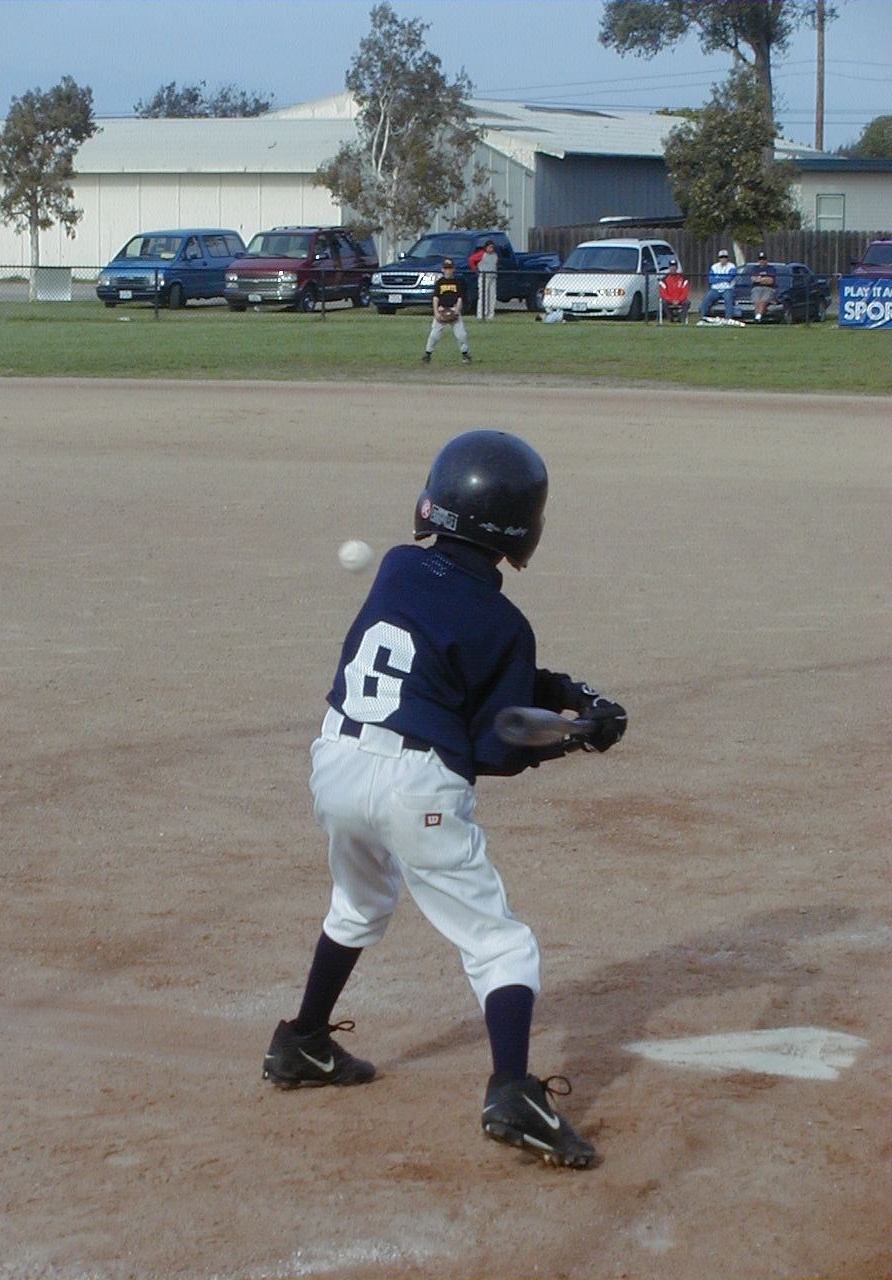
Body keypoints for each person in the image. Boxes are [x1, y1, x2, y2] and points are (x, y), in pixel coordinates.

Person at [262, 430, 628, 1170]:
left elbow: (457, 654)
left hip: (335, 762)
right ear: (523, 528)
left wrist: (569, 694)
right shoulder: (505, 625)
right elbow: (496, 748)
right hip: (413, 786)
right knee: (500, 945)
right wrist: (575, 739)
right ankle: (513, 1092)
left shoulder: (399, 567)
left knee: (359, 905)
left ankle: (302, 1041)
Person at [422, 258, 472, 364]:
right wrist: (436, 313)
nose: (448, 271)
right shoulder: (439, 283)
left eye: (450, 268)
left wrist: (457, 311)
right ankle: (427, 354)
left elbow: (459, 298)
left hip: (453, 309)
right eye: (446, 268)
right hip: (441, 309)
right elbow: (435, 298)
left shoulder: (457, 282)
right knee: (434, 335)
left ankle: (465, 354)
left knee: (461, 334)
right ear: (442, 269)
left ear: (453, 269)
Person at [698, 247, 738, 320]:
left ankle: (728, 319)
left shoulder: (732, 266)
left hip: (727, 289)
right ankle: (702, 317)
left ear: (727, 258)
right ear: (719, 258)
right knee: (706, 299)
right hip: (715, 289)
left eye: (725, 257)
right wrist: (723, 277)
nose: (723, 259)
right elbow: (711, 280)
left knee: (728, 300)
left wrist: (717, 277)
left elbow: (729, 278)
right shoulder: (714, 266)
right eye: (721, 257)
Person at [658, 258, 690, 323]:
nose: (673, 268)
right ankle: (671, 318)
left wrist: (679, 300)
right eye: (671, 266)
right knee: (664, 302)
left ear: (677, 268)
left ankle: (680, 319)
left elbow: (685, 291)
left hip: (680, 299)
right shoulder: (664, 279)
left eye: (674, 266)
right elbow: (663, 293)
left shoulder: (683, 279)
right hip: (669, 299)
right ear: (669, 267)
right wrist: (671, 300)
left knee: (687, 302)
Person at [475, 239, 499, 321]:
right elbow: (471, 260)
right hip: (484, 277)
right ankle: (481, 314)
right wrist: (476, 270)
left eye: (492, 247)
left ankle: (491, 313)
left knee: (492, 296)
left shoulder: (495, 255)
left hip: (493, 277)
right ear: (486, 247)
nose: (491, 249)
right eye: (490, 247)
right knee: (483, 296)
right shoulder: (481, 254)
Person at [750, 251, 776, 323]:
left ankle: (758, 317)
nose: (762, 261)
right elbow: (753, 279)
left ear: (766, 260)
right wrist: (764, 279)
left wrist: (759, 279)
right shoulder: (755, 268)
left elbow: (770, 281)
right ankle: (757, 318)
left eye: (764, 259)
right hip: (756, 288)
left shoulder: (771, 268)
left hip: (768, 288)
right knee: (757, 301)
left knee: (762, 301)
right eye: (760, 259)